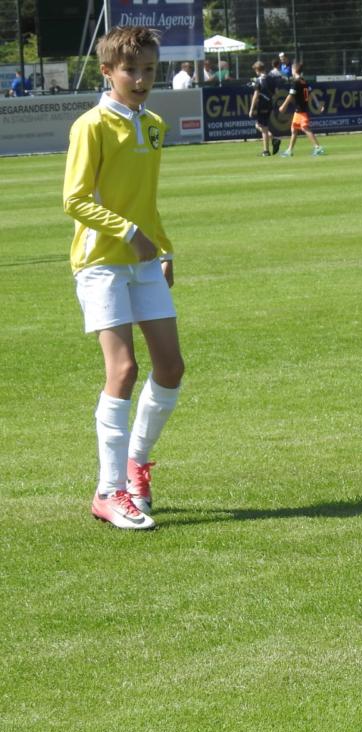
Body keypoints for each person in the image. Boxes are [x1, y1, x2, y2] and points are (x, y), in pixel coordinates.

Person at [62, 25, 186, 530]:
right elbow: (75, 199)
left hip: (143, 259)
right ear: (107, 71)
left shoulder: (153, 123)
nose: (141, 79)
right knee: (124, 371)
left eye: (150, 70)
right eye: (131, 70)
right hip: (101, 263)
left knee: (171, 368)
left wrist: (164, 247)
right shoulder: (90, 125)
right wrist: (129, 231)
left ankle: (136, 467)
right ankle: (108, 491)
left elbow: (146, 200)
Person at [278, 61, 325, 157]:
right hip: (299, 109)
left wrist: (283, 106)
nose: (291, 70)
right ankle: (289, 150)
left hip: (300, 109)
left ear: (294, 70)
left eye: (291, 69)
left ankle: (318, 147)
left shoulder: (296, 82)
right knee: (294, 129)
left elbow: (291, 95)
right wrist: (318, 105)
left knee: (304, 128)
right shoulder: (304, 80)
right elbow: (312, 93)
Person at [248, 60, 280, 156]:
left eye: (255, 70)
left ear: (257, 70)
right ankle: (274, 139)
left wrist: (251, 109)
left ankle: (266, 151)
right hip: (269, 104)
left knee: (263, 127)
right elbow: (276, 92)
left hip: (261, 105)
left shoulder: (259, 80)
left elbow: (255, 95)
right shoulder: (271, 78)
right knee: (259, 125)